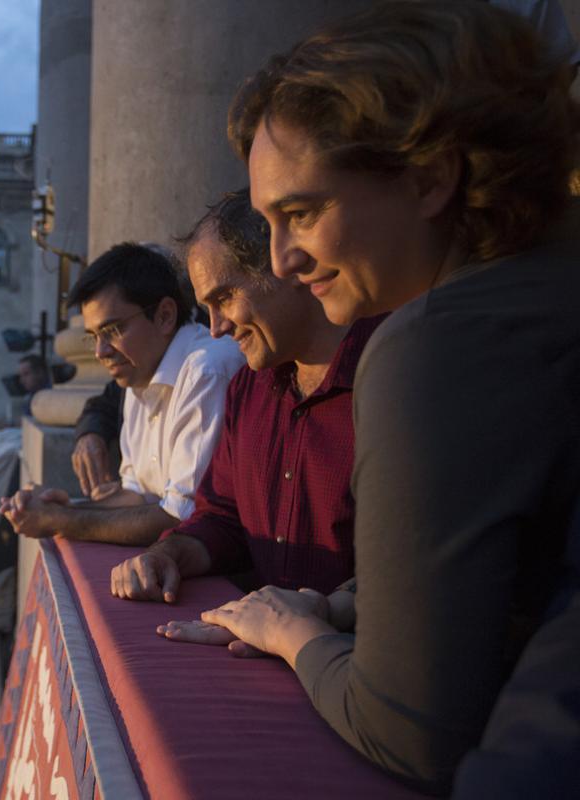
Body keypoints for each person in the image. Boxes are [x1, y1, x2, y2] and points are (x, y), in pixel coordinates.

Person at [170, 2, 580, 794]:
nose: (282, 261)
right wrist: (350, 608)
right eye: (267, 222)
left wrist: (296, 636)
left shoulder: (431, 344)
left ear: (430, 176)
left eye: (301, 213)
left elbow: (407, 730)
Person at [111, 190, 381, 614]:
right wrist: (169, 554)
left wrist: (320, 616)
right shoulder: (248, 388)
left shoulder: (391, 375)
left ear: (285, 267)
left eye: (223, 299)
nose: (216, 329)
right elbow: (221, 517)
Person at [0, 242, 243, 545]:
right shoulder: (138, 374)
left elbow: (183, 519)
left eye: (113, 330)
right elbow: (136, 497)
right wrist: (60, 508)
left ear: (165, 315)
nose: (101, 352)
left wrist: (59, 520)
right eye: (93, 337)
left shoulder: (207, 370)